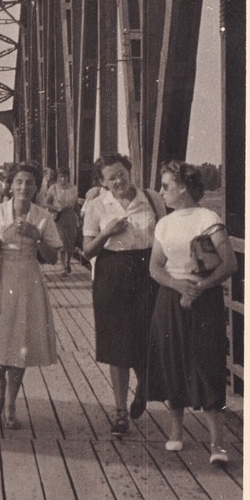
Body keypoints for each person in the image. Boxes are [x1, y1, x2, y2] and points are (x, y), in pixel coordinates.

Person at [147, 161, 238, 464]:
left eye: (166, 186)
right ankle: (176, 432)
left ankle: (218, 444)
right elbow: (155, 267)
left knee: (207, 362)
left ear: (183, 187)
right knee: (172, 358)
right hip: (171, 298)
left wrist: (200, 286)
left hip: (204, 299)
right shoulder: (165, 223)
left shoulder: (207, 217)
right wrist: (178, 286)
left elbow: (229, 264)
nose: (161, 192)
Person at [0, 163, 62, 430]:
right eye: (19, 182)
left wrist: (37, 237)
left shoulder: (42, 216)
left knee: (20, 342)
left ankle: (11, 404)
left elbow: (53, 257)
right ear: (10, 185)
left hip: (28, 280)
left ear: (36, 186)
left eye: (30, 182)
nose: (24, 187)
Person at [82, 153, 165, 437]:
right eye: (111, 178)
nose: (118, 181)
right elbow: (87, 251)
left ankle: (143, 388)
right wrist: (106, 232)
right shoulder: (96, 206)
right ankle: (119, 412)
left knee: (146, 338)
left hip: (147, 272)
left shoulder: (152, 198)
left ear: (130, 171)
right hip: (111, 272)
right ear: (103, 183)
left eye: (121, 174)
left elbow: (164, 237)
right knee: (116, 345)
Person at [45, 166, 80, 274]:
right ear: (58, 177)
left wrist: (79, 217)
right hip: (59, 217)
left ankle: (68, 262)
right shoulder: (53, 188)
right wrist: (56, 208)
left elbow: (75, 204)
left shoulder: (73, 188)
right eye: (61, 177)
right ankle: (64, 267)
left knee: (70, 243)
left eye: (65, 177)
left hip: (70, 216)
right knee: (62, 242)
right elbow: (46, 203)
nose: (63, 179)